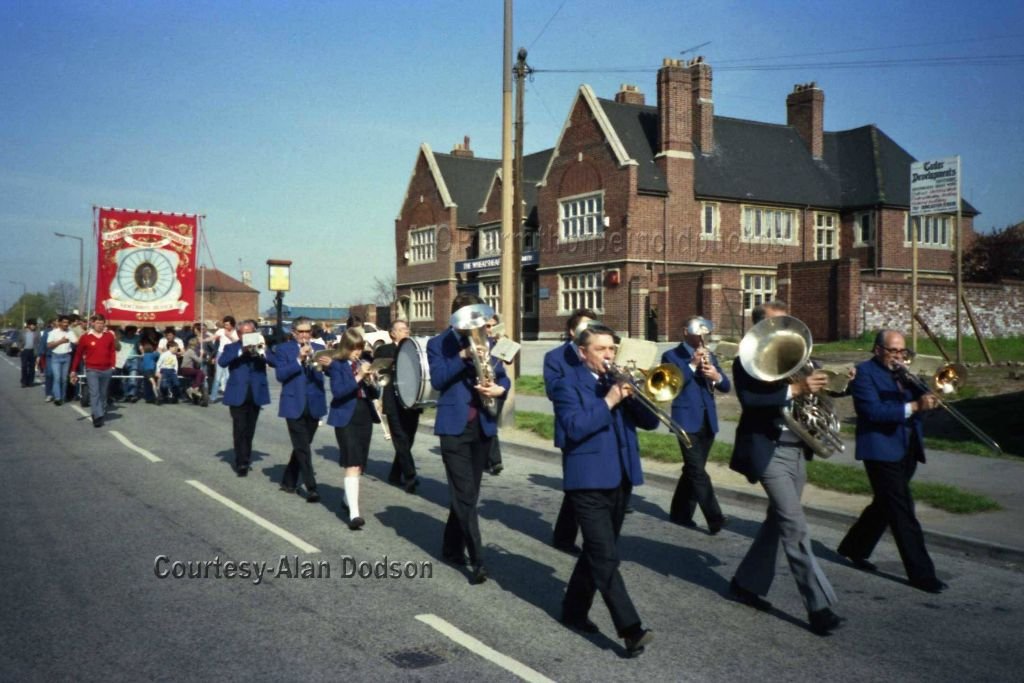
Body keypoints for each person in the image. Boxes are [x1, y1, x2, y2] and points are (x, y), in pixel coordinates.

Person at [728, 300, 844, 636]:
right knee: (794, 526)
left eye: (786, 326)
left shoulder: (800, 359)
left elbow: (821, 394)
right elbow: (751, 402)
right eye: (775, 327)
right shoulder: (745, 363)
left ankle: (746, 584)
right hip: (770, 453)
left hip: (797, 450)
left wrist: (837, 381)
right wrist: (795, 388)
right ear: (758, 330)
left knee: (776, 523)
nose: (783, 333)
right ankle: (819, 607)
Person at [552, 322, 657, 657]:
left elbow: (651, 422)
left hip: (621, 477)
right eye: (601, 349)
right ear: (583, 353)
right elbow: (573, 428)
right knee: (607, 557)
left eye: (612, 348)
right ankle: (631, 629)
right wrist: (610, 399)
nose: (609, 355)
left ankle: (573, 610)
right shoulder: (567, 385)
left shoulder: (619, 381)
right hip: (587, 480)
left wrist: (634, 393)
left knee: (597, 552)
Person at [837, 329, 948, 593]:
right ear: (878, 350)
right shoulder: (864, 373)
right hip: (880, 450)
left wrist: (926, 400)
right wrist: (914, 408)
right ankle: (922, 574)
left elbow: (919, 405)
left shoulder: (906, 375)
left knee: (885, 504)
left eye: (903, 352)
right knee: (902, 510)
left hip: (907, 447)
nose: (899, 357)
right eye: (893, 351)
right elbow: (872, 412)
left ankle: (854, 547)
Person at [427, 294, 510, 584]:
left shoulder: (489, 339)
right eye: (468, 319)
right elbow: (438, 380)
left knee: (468, 494)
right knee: (464, 496)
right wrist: (463, 356)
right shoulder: (439, 344)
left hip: (483, 424)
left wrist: (501, 389)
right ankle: (476, 559)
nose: (474, 325)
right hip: (454, 427)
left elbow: (502, 374)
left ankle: (450, 546)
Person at [662, 316, 731, 534]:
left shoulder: (709, 355)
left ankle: (680, 513)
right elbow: (673, 385)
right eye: (697, 331)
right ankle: (715, 517)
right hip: (685, 420)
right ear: (685, 332)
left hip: (707, 420)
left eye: (704, 332)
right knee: (697, 471)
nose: (702, 336)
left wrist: (716, 376)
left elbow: (726, 387)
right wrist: (692, 364)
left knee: (692, 470)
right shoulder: (671, 355)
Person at [544, 307, 597, 554]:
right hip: (572, 427)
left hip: (599, 423)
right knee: (577, 486)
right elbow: (553, 392)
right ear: (571, 331)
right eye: (585, 328)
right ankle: (566, 537)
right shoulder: (555, 358)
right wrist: (583, 365)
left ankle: (589, 537)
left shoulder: (601, 353)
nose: (590, 332)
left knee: (590, 486)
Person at [327, 328, 379, 529]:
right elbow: (338, 392)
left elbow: (373, 393)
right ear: (346, 347)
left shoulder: (362, 363)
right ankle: (354, 514)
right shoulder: (337, 366)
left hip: (363, 414)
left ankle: (347, 498)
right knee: (352, 462)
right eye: (354, 349)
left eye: (360, 348)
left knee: (360, 464)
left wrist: (371, 380)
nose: (358, 353)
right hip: (345, 415)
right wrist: (357, 377)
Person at [273, 317, 329, 502]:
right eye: (301, 331)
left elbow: (328, 371)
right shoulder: (283, 349)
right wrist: (298, 359)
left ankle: (288, 480)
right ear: (294, 332)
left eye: (308, 331)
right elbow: (280, 375)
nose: (305, 335)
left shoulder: (319, 348)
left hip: (314, 403)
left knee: (302, 445)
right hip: (293, 403)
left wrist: (328, 363)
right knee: (303, 448)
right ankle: (311, 488)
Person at [374, 320, 422, 493]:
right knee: (400, 438)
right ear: (392, 333)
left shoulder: (415, 348)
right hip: (393, 400)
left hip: (412, 400)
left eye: (407, 329)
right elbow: (378, 371)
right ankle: (411, 476)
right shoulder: (384, 350)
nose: (405, 332)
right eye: (401, 329)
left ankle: (395, 473)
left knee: (408, 439)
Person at [219, 320, 271, 476]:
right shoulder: (231, 347)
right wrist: (241, 351)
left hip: (255, 394)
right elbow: (222, 362)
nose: (247, 336)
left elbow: (274, 362)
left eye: (250, 333)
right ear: (239, 334)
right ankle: (241, 462)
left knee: (250, 430)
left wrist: (263, 352)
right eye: (244, 333)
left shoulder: (260, 348)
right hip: (237, 394)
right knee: (240, 428)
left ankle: (245, 457)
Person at [69, 314, 119, 428]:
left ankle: (99, 410)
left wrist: (113, 366)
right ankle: (97, 416)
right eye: (98, 323)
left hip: (106, 369)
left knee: (103, 393)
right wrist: (73, 370)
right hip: (92, 369)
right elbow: (78, 354)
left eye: (102, 323)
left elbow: (112, 351)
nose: (100, 326)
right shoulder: (86, 337)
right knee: (94, 392)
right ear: (92, 323)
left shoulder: (109, 336)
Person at [46, 315, 76, 406]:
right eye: (63, 322)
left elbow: (76, 341)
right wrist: (61, 341)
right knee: (57, 378)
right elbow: (49, 346)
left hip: (67, 357)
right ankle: (57, 398)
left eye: (67, 323)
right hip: (56, 357)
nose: (65, 324)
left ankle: (63, 397)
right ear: (59, 323)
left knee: (64, 379)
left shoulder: (70, 332)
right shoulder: (53, 332)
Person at [210, 316, 238, 402]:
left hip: (231, 354)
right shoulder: (221, 331)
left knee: (228, 376)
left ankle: (229, 395)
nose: (226, 326)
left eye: (228, 325)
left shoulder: (236, 332)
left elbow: (237, 342)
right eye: (225, 324)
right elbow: (213, 337)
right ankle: (213, 397)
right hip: (221, 353)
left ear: (232, 325)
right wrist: (204, 339)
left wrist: (230, 336)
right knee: (218, 376)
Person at [179, 336, 208, 405]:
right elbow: (199, 361)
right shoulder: (190, 352)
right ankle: (194, 388)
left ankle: (195, 389)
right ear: (194, 345)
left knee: (199, 374)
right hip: (186, 369)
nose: (197, 346)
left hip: (186, 369)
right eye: (197, 345)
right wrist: (201, 354)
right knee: (200, 372)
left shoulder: (188, 351)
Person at [120, 325, 143, 403]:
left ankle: (132, 394)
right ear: (127, 331)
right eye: (130, 331)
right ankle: (125, 394)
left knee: (133, 378)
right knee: (124, 379)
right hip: (123, 359)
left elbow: (140, 346)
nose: (132, 333)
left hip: (134, 359)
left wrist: (143, 353)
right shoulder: (122, 338)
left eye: (133, 332)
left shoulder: (137, 338)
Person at [18, 319, 39, 387]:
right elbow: (19, 341)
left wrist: (38, 352)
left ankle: (30, 381)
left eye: (34, 325)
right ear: (29, 325)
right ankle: (24, 382)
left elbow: (39, 342)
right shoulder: (22, 332)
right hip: (25, 351)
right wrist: (20, 348)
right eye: (32, 325)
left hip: (33, 351)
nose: (34, 326)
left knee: (32, 367)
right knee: (24, 366)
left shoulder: (36, 333)